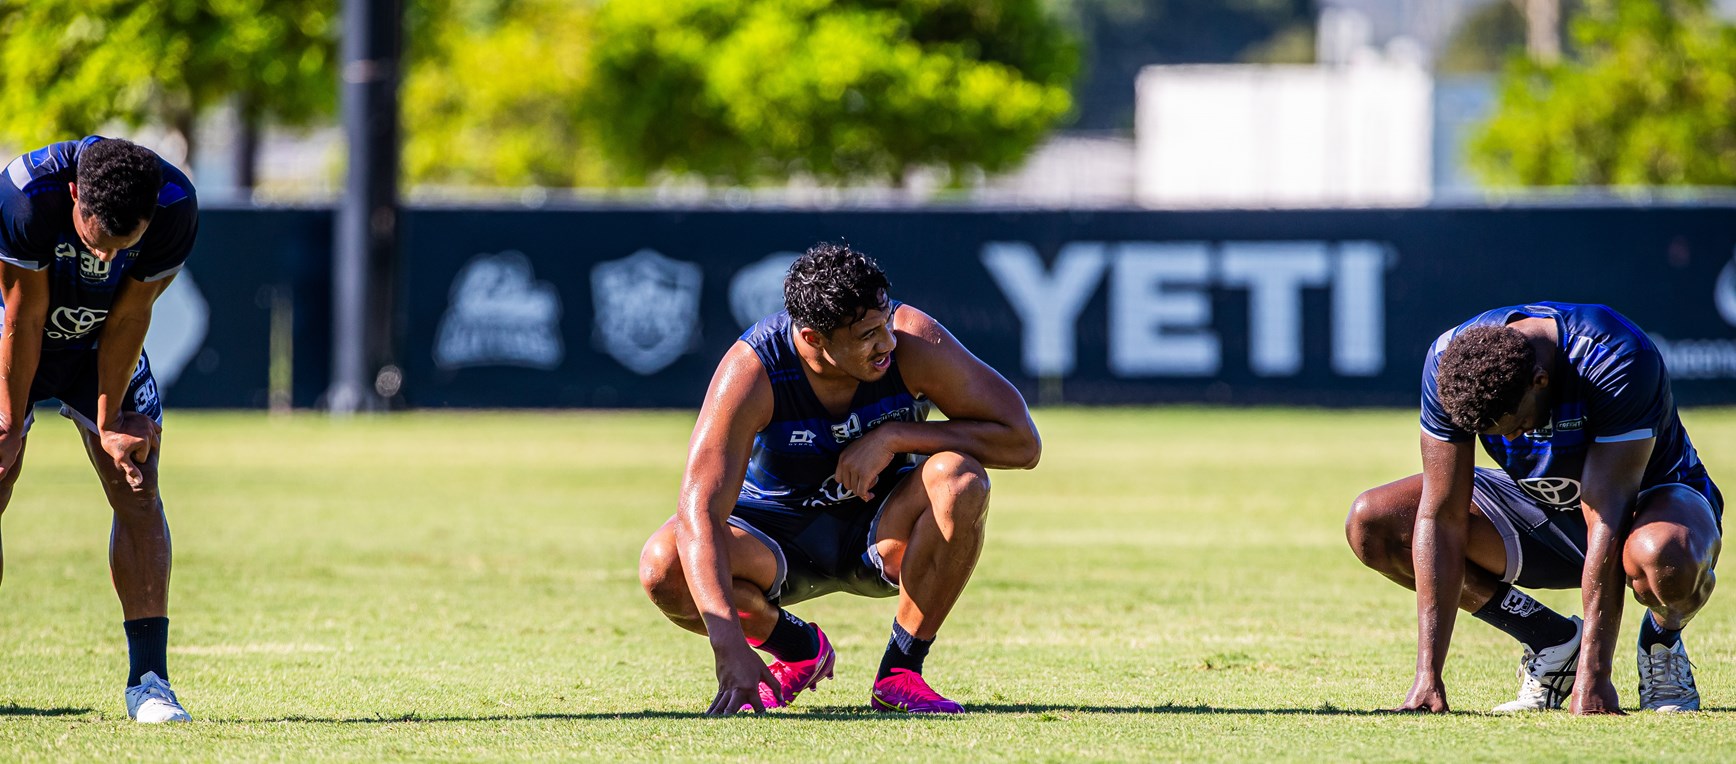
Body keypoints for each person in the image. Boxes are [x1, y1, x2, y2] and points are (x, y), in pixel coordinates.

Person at [638, 242, 1041, 715]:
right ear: (812, 339)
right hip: (774, 542)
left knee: (960, 478)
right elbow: (699, 511)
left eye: (886, 322)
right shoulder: (754, 370)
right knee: (664, 566)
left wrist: (893, 435)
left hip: (881, 533)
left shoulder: (912, 342)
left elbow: (1022, 443)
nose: (887, 343)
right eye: (868, 334)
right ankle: (796, 648)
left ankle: (901, 673)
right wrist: (730, 648)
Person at [1347, 302, 1721, 714]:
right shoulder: (1448, 362)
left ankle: (1662, 640)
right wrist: (1427, 677)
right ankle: (1551, 639)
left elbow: (1606, 517)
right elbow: (1441, 516)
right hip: (1541, 503)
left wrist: (1594, 680)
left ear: (1540, 380)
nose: (1515, 438)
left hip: (1644, 508)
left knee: (1663, 558)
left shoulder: (1616, 356)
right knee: (1374, 523)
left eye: (1514, 425)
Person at [0, 137, 198, 723]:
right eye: (96, 242)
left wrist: (110, 424)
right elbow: (24, 312)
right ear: (73, 196)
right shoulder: (24, 195)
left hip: (100, 336)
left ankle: (150, 681)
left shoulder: (176, 206)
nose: (108, 259)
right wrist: (10, 425)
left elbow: (132, 315)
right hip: (15, 327)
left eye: (123, 246)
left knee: (136, 479)